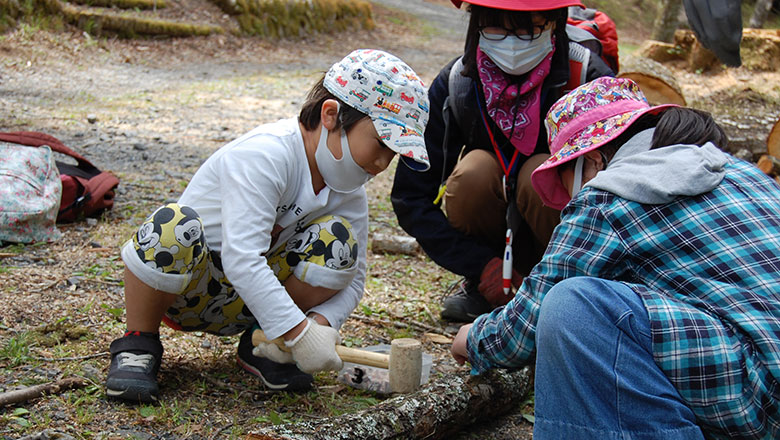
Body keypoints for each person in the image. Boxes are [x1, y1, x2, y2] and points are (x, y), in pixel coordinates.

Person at [450, 76, 780, 439]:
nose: (570, 196)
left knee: (574, 307)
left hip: (758, 393)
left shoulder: (611, 194)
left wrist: (475, 337)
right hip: (761, 373)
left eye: (567, 180)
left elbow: (528, 323)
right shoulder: (741, 172)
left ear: (591, 161)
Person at [104, 49, 430, 403]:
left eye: (394, 153)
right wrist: (297, 330)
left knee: (338, 243)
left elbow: (356, 277)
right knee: (171, 224)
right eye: (381, 143)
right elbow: (242, 258)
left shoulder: (347, 188)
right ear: (332, 115)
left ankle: (262, 342)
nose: (383, 162)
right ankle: (139, 342)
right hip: (191, 288)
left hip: (255, 306)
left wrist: (319, 326)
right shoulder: (266, 155)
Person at [390, 0, 614, 322]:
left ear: (553, 23)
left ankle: (561, 290)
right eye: (496, 27)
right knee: (475, 171)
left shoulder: (587, 79)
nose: (511, 41)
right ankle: (488, 289)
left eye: (526, 29)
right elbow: (411, 195)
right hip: (489, 248)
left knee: (538, 171)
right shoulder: (458, 83)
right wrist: (480, 265)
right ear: (475, 24)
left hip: (563, 242)